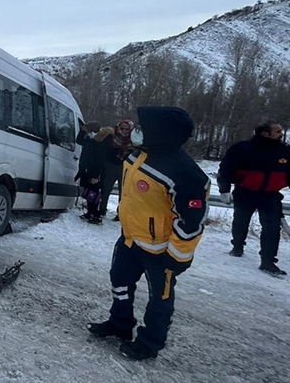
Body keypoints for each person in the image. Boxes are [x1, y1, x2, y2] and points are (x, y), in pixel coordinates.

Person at [87, 106, 209, 360]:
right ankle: (120, 324)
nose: (137, 131)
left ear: (161, 133)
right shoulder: (139, 154)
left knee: (159, 300)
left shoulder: (186, 173)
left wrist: (178, 257)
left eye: (143, 127)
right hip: (130, 239)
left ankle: (150, 342)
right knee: (119, 281)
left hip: (160, 250)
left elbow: (192, 221)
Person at [217, 121, 290, 276]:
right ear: (265, 133)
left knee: (272, 228)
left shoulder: (284, 151)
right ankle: (237, 246)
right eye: (277, 131)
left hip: (271, 195)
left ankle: (267, 261)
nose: (281, 134)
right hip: (245, 192)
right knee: (240, 221)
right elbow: (226, 168)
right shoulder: (243, 149)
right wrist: (224, 189)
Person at [97, 119, 135, 222]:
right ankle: (101, 210)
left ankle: (120, 213)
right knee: (106, 189)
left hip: (125, 167)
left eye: (127, 129)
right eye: (122, 128)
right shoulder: (111, 136)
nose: (124, 131)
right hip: (110, 165)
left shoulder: (134, 140)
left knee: (123, 192)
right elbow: (102, 148)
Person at [75, 122, 113, 224]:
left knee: (94, 193)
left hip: (95, 171)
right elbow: (80, 141)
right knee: (89, 191)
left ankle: (96, 214)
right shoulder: (93, 140)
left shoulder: (101, 141)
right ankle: (90, 212)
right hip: (88, 168)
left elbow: (100, 159)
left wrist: (96, 175)